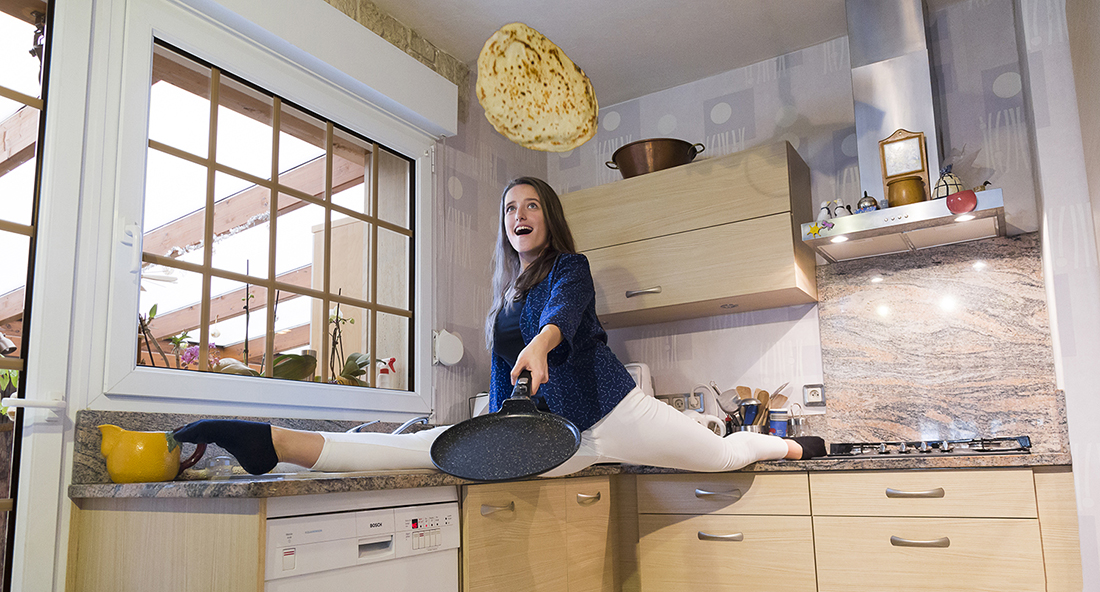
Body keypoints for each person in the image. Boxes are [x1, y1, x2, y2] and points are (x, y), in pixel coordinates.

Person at [174, 177, 825, 475]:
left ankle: (790, 447)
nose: (520, 213)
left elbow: (561, 319)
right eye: (510, 207)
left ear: (548, 217)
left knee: (719, 455)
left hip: (609, 412)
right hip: (547, 441)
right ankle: (277, 442)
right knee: (427, 449)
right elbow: (496, 377)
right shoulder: (500, 304)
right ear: (503, 225)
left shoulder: (570, 266)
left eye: (532, 204)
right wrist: (478, 423)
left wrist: (543, 345)